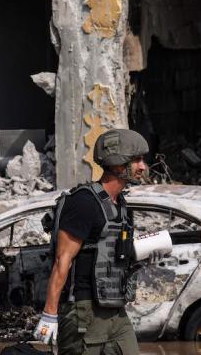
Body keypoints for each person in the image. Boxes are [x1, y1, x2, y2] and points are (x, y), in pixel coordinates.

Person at [33, 129, 150, 355]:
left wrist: (144, 255)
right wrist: (49, 313)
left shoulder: (121, 205)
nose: (143, 167)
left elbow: (114, 254)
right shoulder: (84, 203)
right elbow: (62, 260)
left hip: (114, 309)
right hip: (83, 311)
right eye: (136, 160)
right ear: (117, 164)